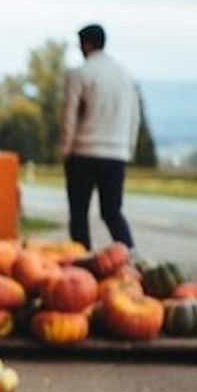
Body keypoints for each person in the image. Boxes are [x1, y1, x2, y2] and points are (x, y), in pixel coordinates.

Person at [58, 23, 139, 251]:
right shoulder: (125, 75)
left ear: (86, 45)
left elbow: (69, 116)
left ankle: (82, 260)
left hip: (84, 151)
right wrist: (127, 149)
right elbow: (134, 117)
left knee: (79, 214)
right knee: (112, 211)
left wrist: (65, 149)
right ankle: (130, 256)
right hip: (116, 154)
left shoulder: (80, 73)